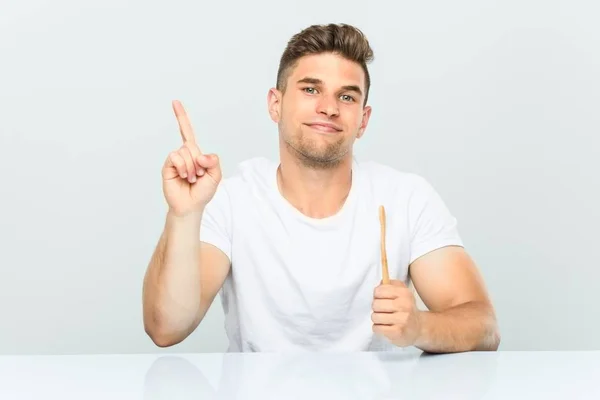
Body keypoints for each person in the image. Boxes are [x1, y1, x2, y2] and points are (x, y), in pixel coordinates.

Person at [142, 23, 501, 353]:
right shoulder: (231, 202)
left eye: (346, 97)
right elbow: (166, 328)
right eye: (311, 89)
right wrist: (183, 215)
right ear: (275, 104)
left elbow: (483, 326)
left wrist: (420, 326)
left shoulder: (406, 198)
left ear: (363, 119)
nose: (328, 108)